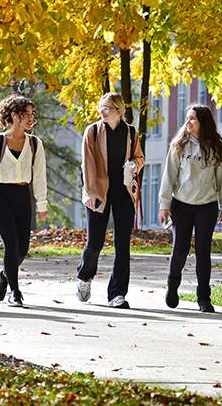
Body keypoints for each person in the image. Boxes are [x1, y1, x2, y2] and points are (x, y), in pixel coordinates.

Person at [158, 104, 222, 313]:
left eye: (193, 119)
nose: (188, 122)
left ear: (203, 122)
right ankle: (173, 286)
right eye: (187, 118)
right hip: (181, 204)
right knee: (180, 250)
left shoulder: (217, 147)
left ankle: (203, 298)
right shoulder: (179, 145)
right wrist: (164, 205)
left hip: (206, 206)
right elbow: (168, 177)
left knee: (203, 252)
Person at [76, 93, 144, 308]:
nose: (102, 111)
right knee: (95, 242)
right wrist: (90, 193)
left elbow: (139, 157)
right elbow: (87, 165)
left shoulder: (131, 132)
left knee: (122, 243)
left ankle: (117, 294)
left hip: (123, 189)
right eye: (101, 107)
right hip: (98, 189)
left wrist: (134, 165)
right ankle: (85, 277)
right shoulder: (93, 131)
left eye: (107, 108)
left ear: (119, 111)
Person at [0, 95, 49, 307]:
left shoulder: (35, 144)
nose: (30, 118)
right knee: (11, 245)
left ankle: (4, 274)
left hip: (23, 197)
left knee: (21, 249)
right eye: (25, 114)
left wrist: (42, 204)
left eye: (32, 114)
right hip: (2, 198)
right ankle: (15, 292)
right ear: (14, 116)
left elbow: (39, 176)